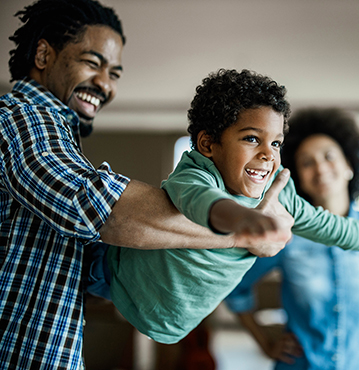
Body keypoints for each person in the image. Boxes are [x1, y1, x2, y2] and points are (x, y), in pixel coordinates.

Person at [0, 1, 293, 369]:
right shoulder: (22, 117)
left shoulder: (55, 134)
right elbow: (95, 208)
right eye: (92, 63)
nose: (105, 84)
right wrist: (244, 232)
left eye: (115, 73)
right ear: (43, 54)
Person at [99, 69, 359, 347]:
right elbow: (204, 205)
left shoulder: (282, 195)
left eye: (277, 143)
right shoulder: (196, 175)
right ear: (209, 144)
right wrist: (246, 222)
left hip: (169, 322)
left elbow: (347, 232)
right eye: (252, 139)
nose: (268, 154)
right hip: (116, 280)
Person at [225, 108, 359, 370]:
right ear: (298, 177)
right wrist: (265, 342)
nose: (319, 167)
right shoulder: (286, 234)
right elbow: (235, 287)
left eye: (329, 156)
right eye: (307, 162)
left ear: (349, 166)